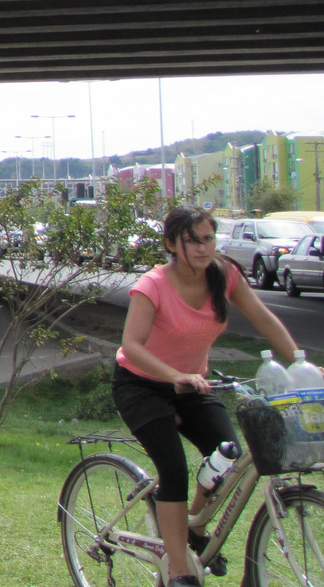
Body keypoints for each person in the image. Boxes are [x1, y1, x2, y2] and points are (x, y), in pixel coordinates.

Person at [113, 204, 300, 587]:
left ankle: (193, 526)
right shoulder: (153, 285)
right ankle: (180, 569)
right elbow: (132, 346)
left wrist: (299, 363)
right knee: (175, 471)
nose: (202, 248)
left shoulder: (224, 275)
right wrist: (173, 375)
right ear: (171, 244)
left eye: (209, 239)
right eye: (192, 241)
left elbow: (263, 318)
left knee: (227, 455)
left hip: (193, 385)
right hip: (141, 384)